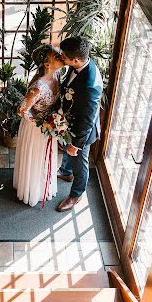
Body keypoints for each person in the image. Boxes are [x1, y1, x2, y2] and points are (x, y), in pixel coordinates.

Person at [13, 44, 65, 207]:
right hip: (36, 128)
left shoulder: (57, 75)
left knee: (44, 158)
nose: (61, 56)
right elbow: (21, 110)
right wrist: (42, 124)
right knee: (35, 158)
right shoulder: (38, 87)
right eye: (56, 56)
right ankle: (31, 189)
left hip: (49, 125)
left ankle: (43, 185)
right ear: (47, 64)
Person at [56, 36, 103, 212]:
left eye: (63, 56)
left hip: (82, 132)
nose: (61, 58)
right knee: (67, 150)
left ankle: (76, 194)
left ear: (75, 60)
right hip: (70, 123)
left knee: (79, 162)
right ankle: (66, 172)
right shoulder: (79, 64)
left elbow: (88, 119)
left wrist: (77, 144)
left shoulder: (90, 85)